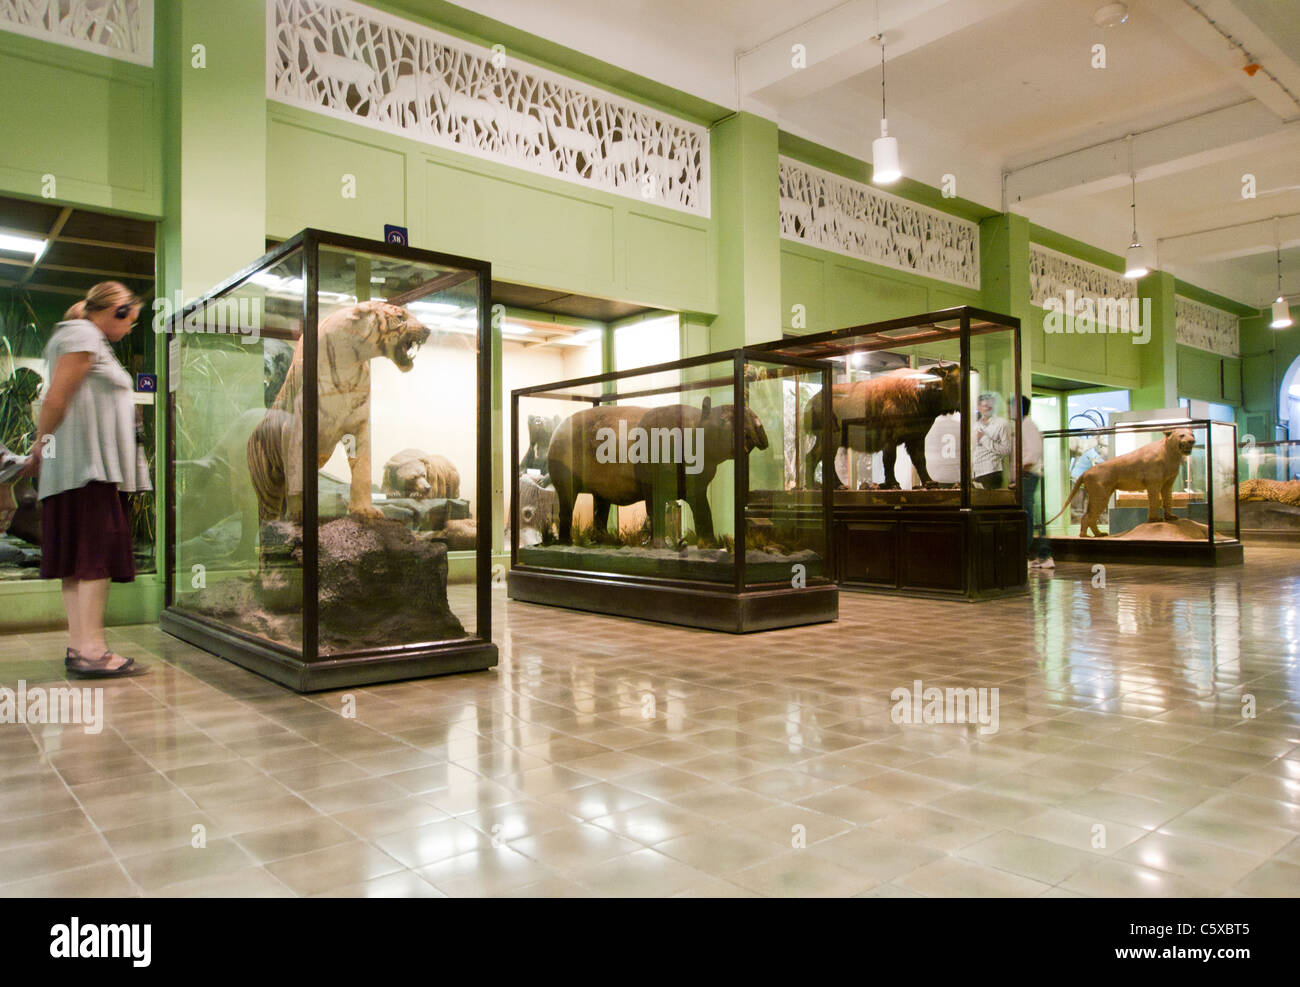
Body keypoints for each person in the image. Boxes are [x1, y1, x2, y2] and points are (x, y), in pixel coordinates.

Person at [19, 282, 149, 678]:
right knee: (94, 559)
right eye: (131, 321)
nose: (130, 329)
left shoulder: (81, 335)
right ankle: (93, 650)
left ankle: (81, 646)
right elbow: (56, 399)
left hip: (82, 470)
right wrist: (42, 448)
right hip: (89, 469)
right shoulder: (82, 335)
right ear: (119, 310)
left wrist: (47, 454)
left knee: (80, 562)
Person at [1020, 395, 1054, 570]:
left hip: (1028, 476)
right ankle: (1040, 554)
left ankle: (1034, 554)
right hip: (1029, 475)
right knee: (1032, 514)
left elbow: (1033, 452)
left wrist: (1022, 471)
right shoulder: (1025, 425)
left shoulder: (1027, 426)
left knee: (1028, 515)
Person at [973, 391, 1013, 488]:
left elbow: (1007, 450)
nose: (987, 408)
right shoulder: (975, 425)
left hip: (991, 473)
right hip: (974, 473)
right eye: (984, 405)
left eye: (990, 406)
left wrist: (983, 438)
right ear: (979, 407)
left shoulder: (1002, 423)